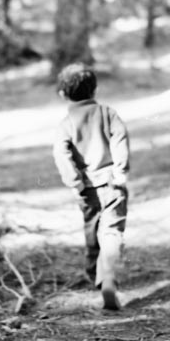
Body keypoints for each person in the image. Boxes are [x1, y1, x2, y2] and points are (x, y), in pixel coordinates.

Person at [52, 63, 130, 310]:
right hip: (113, 183)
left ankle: (95, 272)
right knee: (112, 231)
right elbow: (120, 138)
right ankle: (108, 276)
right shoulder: (108, 113)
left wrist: (74, 182)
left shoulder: (66, 124)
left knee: (93, 229)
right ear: (95, 90)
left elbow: (61, 154)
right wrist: (120, 170)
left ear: (63, 94)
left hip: (87, 188)